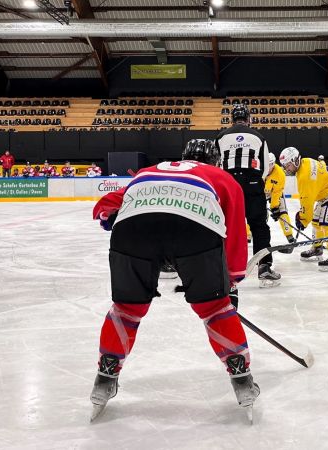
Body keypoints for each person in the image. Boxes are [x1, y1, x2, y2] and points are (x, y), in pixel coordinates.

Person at [88, 139, 258, 422]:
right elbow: (235, 231)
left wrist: (109, 218)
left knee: (126, 309)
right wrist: (230, 281)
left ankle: (105, 377)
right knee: (215, 309)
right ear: (215, 161)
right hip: (194, 231)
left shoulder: (150, 171)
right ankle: (241, 379)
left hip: (132, 230)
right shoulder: (221, 177)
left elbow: (104, 207)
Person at [215, 103, 280, 286]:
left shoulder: (221, 136)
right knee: (259, 227)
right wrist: (254, 181)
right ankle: (264, 268)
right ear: (248, 119)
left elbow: (216, 163)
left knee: (225, 227)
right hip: (252, 185)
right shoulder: (258, 136)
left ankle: (222, 268)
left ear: (232, 119)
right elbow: (265, 166)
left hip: (228, 185)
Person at [278, 147, 328, 271]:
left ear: (295, 161)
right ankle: (317, 248)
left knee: (327, 224)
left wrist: (302, 219)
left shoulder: (305, 177)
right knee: (316, 221)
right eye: (284, 166)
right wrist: (304, 217)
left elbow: (307, 205)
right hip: (327, 191)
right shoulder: (305, 161)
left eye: (288, 165)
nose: (286, 169)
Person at [263, 152, 295, 251]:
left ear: (273, 164)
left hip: (274, 193)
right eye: (266, 165)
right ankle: (249, 235)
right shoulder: (257, 170)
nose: (268, 168)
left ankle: (289, 236)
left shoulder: (280, 174)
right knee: (256, 214)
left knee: (282, 212)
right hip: (260, 193)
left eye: (270, 165)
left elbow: (277, 192)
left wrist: (275, 207)